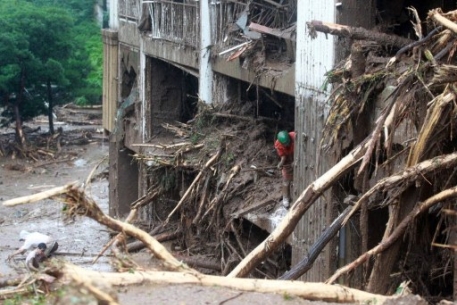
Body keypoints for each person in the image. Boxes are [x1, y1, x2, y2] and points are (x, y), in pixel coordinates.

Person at [274, 130, 296, 208]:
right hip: (287, 159)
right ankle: (286, 198)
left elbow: (301, 148)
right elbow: (283, 157)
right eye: (285, 144)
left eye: (288, 142)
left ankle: (296, 195)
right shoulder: (278, 144)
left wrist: (295, 160)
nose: (288, 144)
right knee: (286, 180)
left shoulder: (294, 136)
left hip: (296, 156)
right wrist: (281, 164)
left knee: (296, 178)